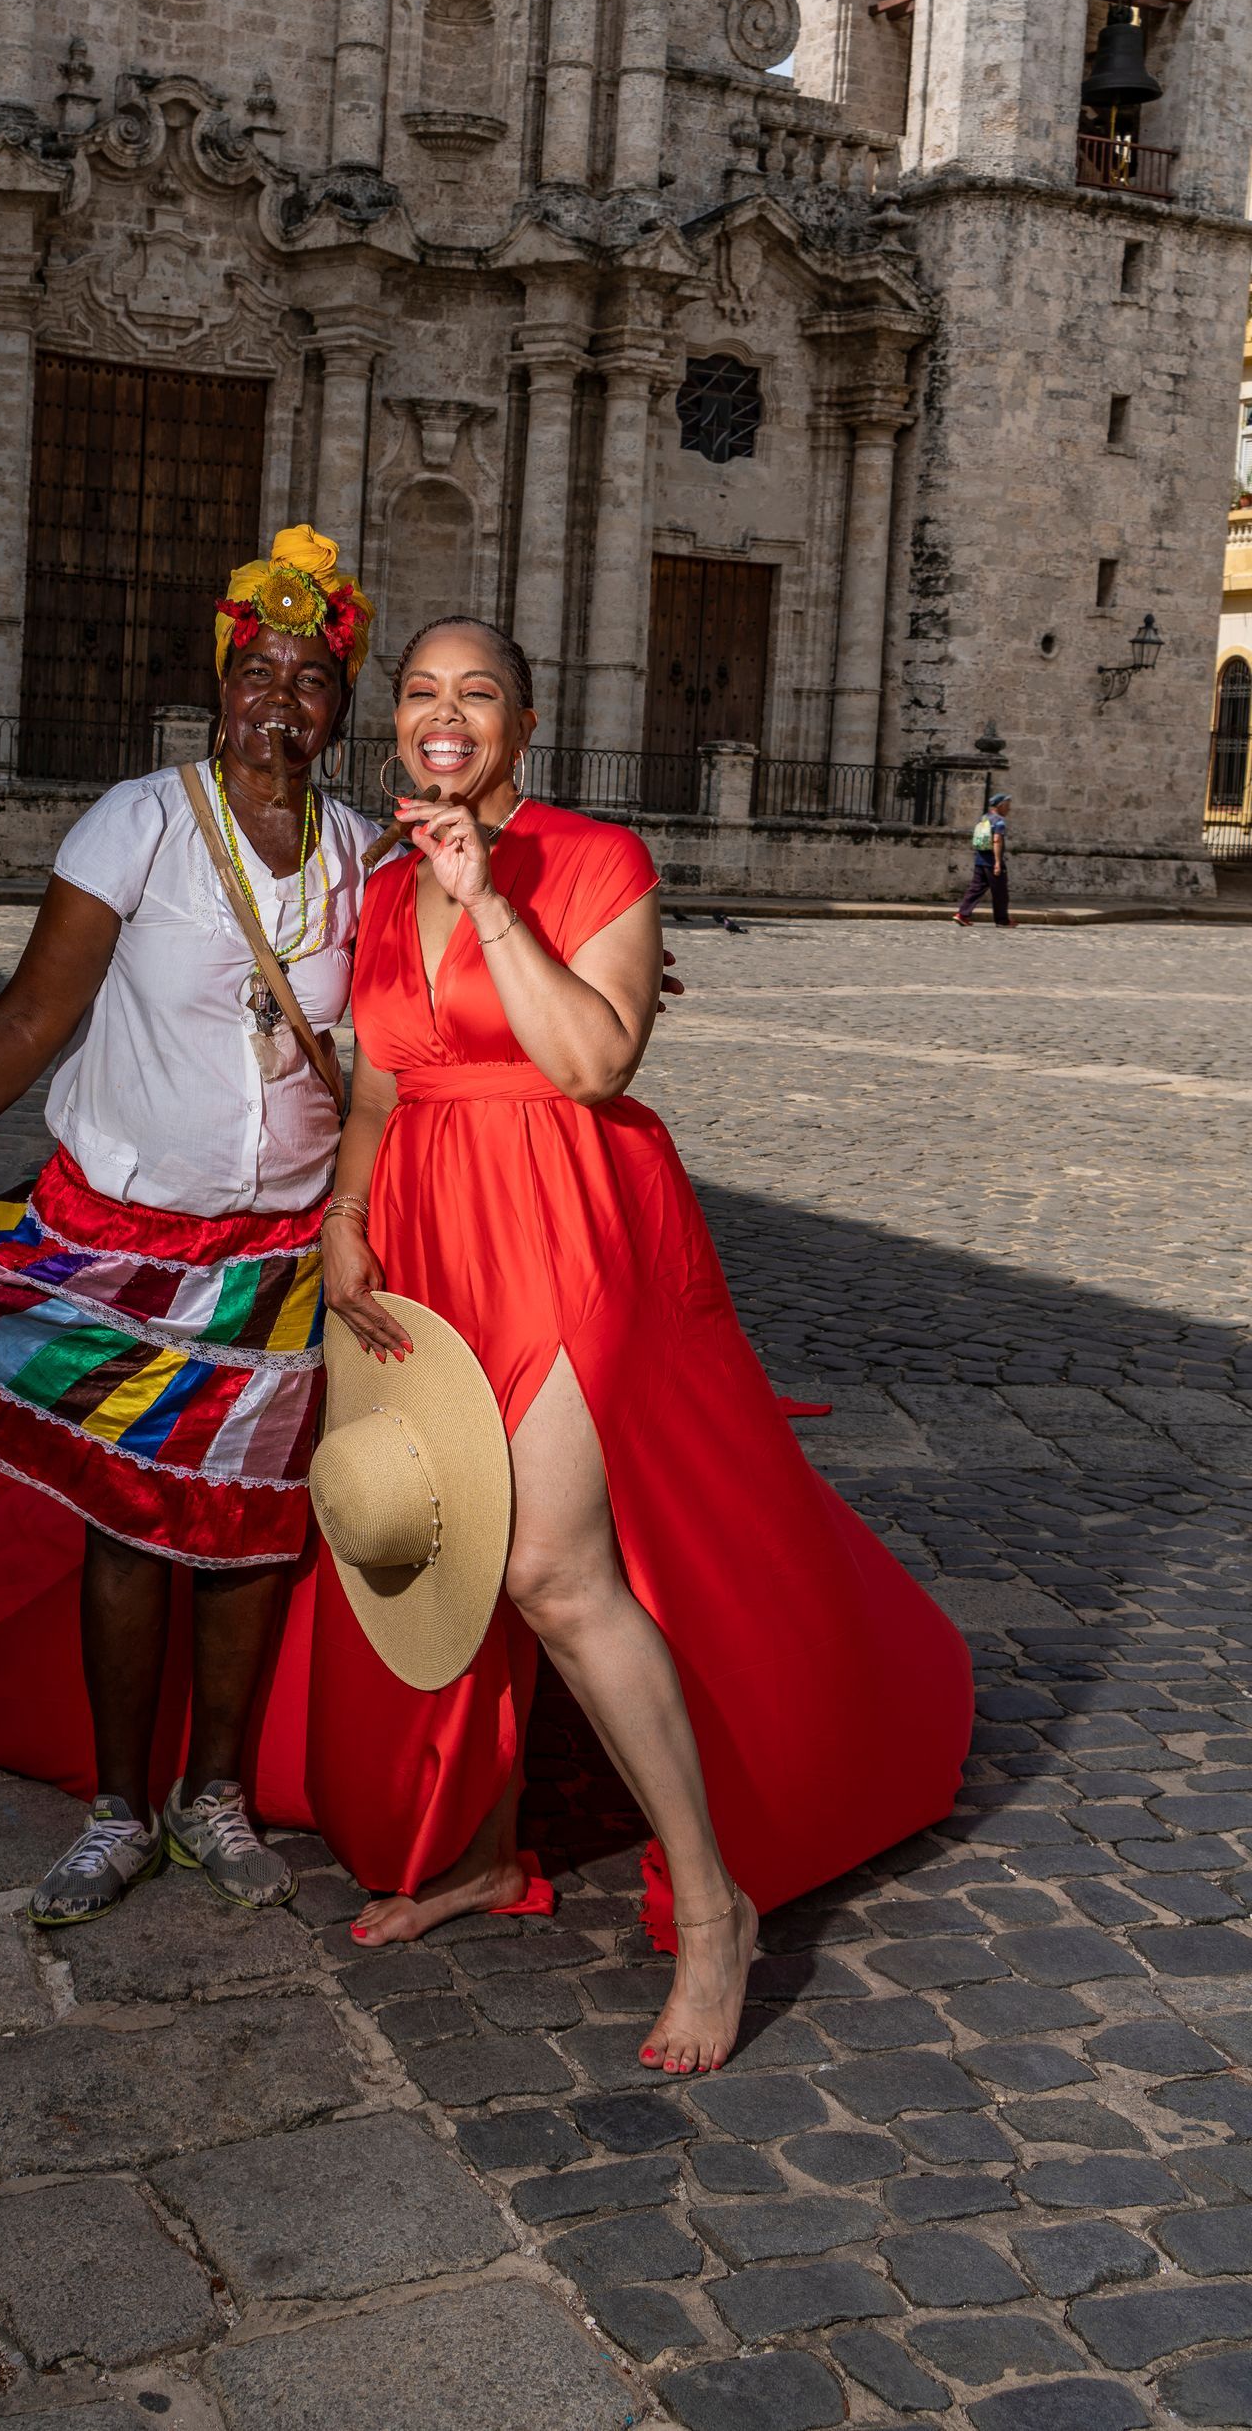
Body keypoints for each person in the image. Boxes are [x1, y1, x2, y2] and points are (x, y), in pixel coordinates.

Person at [304, 616, 974, 2074]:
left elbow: (598, 1058)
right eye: (421, 691)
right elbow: (375, 1083)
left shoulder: (597, 858)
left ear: (524, 728)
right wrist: (347, 1215)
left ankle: (719, 1904)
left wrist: (491, 902)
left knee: (547, 1559)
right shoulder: (376, 878)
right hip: (422, 1231)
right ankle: (481, 1851)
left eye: (477, 694)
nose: (445, 713)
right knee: (455, 1545)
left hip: (564, 1224)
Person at [0, 526, 385, 1923]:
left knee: (247, 1532)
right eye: (257, 674)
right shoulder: (140, 822)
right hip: (121, 1244)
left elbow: (417, 1040)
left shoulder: (364, 858)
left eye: (307, 681)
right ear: (221, 686)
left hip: (281, 1260)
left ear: (339, 708)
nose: (276, 703)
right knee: (130, 1521)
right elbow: (37, 1012)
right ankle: (118, 1806)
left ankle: (211, 1795)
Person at [954, 792, 1011, 927]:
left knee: (975, 889)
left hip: (980, 859)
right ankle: (1003, 920)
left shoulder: (983, 818)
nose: (1009, 809)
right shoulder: (999, 822)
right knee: (1000, 892)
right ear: (1000, 805)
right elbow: (996, 841)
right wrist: (997, 862)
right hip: (992, 861)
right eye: (1007, 806)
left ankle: (962, 914)